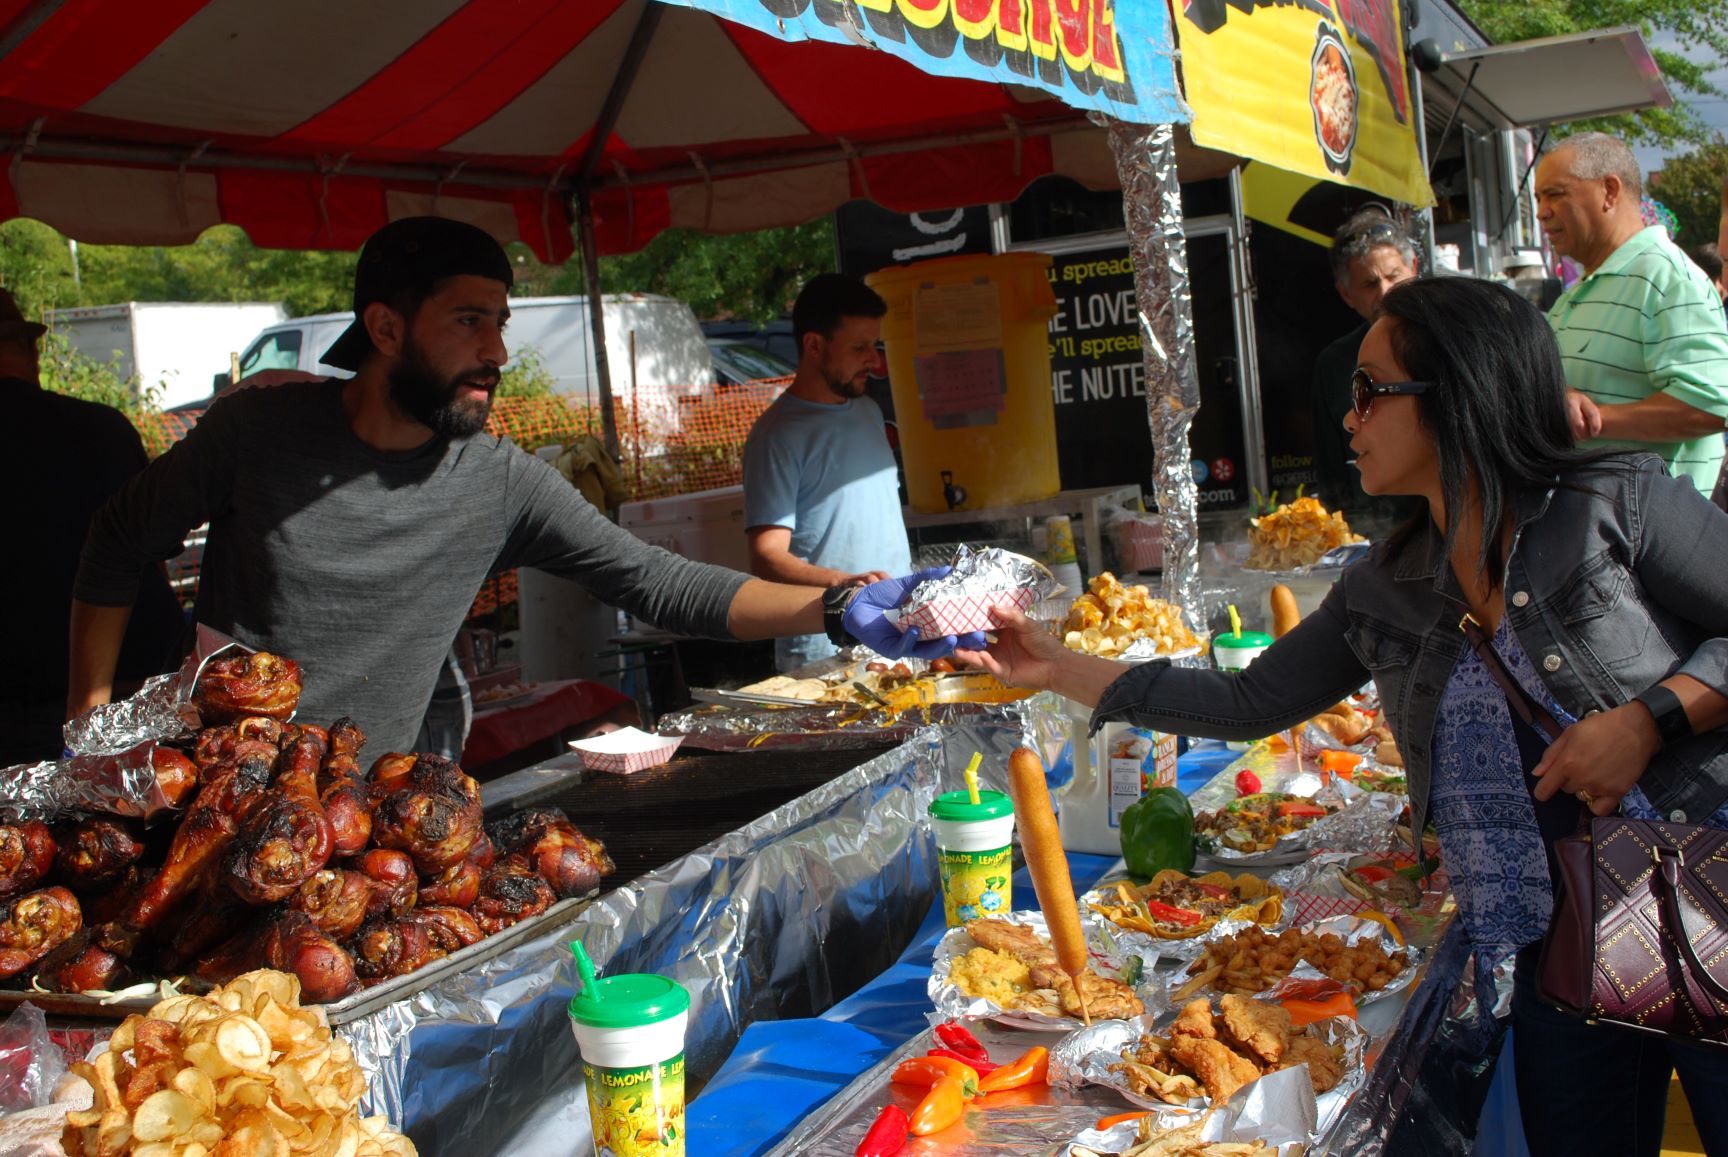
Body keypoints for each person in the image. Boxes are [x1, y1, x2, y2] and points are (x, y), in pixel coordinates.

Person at [964, 277, 1728, 1157]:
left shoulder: (1613, 501)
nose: (1347, 416)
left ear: (1457, 393)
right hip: (1553, 951)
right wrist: (1054, 664)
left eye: (1370, 390)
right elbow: (1250, 701)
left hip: (1698, 894)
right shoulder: (1387, 584)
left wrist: (1649, 720)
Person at [68, 217, 966, 755]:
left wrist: (843, 606)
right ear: (384, 327)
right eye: (468, 322)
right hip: (228, 800)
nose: (497, 352)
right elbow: (116, 542)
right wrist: (91, 723)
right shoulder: (257, 434)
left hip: (374, 815)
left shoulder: (496, 478)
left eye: (499, 323)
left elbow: (659, 582)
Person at [0, 289, 183, 766]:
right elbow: (153, 559)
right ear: (28, 351)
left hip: (17, 697)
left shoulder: (103, 428)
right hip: (129, 684)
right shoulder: (104, 428)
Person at [1537, 132, 1728, 495]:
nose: (1541, 211)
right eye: (1538, 198)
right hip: (1599, 524)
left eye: (1555, 195)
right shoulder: (1581, 288)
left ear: (1609, 191)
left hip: (1647, 540)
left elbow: (1712, 405)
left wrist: (1591, 420)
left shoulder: (1666, 277)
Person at [742, 274, 912, 672]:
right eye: (859, 347)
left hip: (895, 634)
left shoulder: (869, 412)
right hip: (824, 649)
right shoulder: (776, 435)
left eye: (875, 345)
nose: (874, 360)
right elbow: (766, 556)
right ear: (814, 345)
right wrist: (842, 584)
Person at [1309, 207, 1422, 532]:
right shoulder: (1334, 365)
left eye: (1393, 275)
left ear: (1413, 268)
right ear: (1347, 295)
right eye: (1370, 283)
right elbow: (1332, 477)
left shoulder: (1456, 342)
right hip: (1376, 540)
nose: (1386, 292)